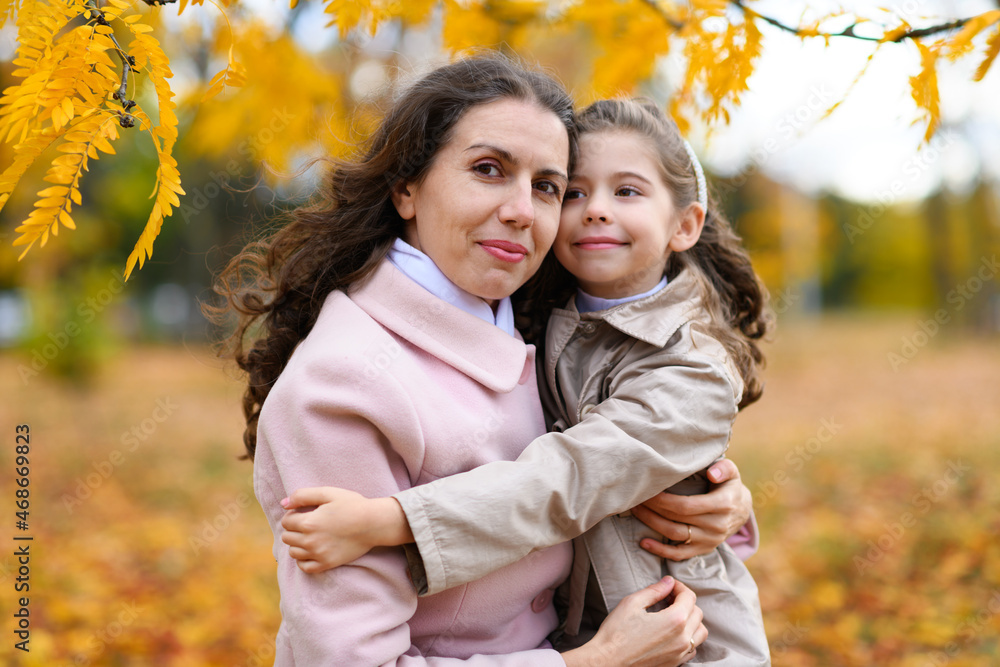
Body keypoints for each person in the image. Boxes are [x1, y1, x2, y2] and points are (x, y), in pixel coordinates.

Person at [212, 55, 751, 665]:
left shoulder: (528, 324)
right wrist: (595, 662)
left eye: (547, 186)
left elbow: (598, 456)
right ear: (406, 188)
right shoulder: (343, 385)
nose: (524, 210)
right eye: (489, 170)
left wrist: (711, 501)